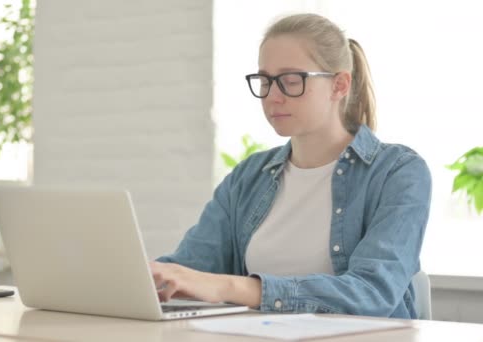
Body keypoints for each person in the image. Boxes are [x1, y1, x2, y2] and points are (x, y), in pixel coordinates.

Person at [151, 13, 432, 319]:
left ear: (339, 85)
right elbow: (190, 269)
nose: (272, 97)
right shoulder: (249, 177)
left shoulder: (398, 172)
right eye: (265, 81)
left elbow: (372, 292)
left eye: (290, 81)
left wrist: (231, 287)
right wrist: (145, 277)